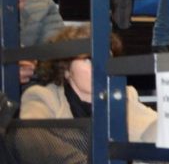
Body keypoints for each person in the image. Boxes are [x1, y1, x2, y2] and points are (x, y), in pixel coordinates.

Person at [20, 25, 157, 142]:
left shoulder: (124, 96)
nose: (100, 67)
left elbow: (157, 132)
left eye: (106, 58)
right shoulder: (43, 97)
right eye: (88, 60)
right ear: (65, 69)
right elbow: (33, 142)